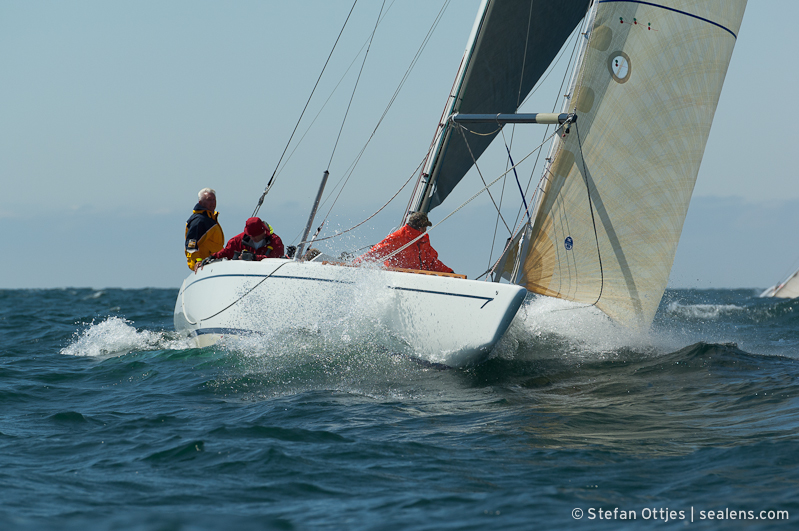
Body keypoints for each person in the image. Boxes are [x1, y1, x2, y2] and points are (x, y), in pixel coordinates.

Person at [353, 212, 454, 273]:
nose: (425, 230)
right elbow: (376, 252)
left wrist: (449, 272)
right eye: (425, 227)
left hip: (419, 281)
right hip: (398, 282)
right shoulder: (397, 238)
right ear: (421, 227)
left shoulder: (423, 240)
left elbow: (431, 262)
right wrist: (355, 264)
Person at [203, 217, 284, 264]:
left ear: (263, 232)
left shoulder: (275, 242)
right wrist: (211, 257)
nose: (252, 238)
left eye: (255, 236)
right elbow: (226, 253)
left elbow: (276, 261)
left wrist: (253, 257)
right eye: (250, 235)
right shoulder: (237, 240)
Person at [185, 188, 224, 270]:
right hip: (203, 266)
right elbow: (191, 244)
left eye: (214, 199)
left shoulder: (210, 218)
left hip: (214, 263)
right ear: (200, 202)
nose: (213, 202)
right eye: (209, 200)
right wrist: (198, 261)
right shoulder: (199, 220)